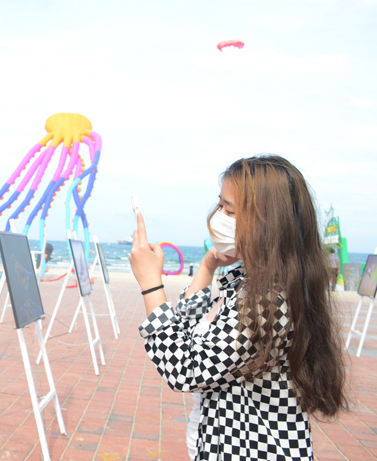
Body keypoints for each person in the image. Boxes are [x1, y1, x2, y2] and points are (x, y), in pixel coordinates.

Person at [129, 155, 347, 460]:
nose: (218, 215)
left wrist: (151, 284)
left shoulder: (267, 301)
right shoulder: (254, 281)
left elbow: (184, 368)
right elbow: (187, 330)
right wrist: (207, 266)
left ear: (268, 223)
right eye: (220, 205)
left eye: (229, 210)